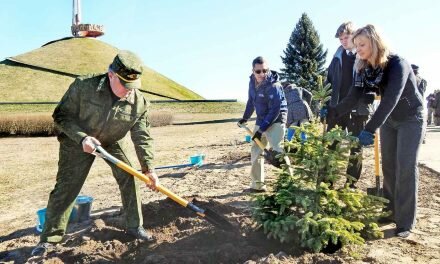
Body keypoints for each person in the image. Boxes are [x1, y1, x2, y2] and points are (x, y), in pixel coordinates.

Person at [32, 51, 159, 256]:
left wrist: (149, 168)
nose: (129, 91)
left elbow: (142, 136)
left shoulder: (140, 103)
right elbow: (61, 115)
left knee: (131, 177)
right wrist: (82, 137)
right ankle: (49, 240)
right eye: (125, 85)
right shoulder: (84, 86)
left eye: (133, 87)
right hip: (77, 140)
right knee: (67, 187)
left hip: (113, 140)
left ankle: (135, 226)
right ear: (111, 75)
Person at [324, 25, 424, 238]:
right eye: (356, 44)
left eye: (362, 45)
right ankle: (389, 212)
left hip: (410, 118)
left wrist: (369, 128)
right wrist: (333, 110)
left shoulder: (398, 64)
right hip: (390, 120)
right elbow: (353, 97)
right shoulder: (363, 67)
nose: (357, 49)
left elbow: (390, 100)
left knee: (405, 166)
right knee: (389, 166)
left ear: (375, 43)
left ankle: (405, 222)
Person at [326, 21, 374, 187]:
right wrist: (327, 105)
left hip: (357, 109)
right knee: (331, 144)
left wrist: (371, 93)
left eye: (346, 37)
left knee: (355, 147)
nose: (343, 41)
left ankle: (350, 184)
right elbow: (328, 83)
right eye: (340, 39)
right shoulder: (336, 59)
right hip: (337, 108)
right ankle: (328, 182)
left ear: (355, 36)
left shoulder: (364, 56)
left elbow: (374, 79)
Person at [237, 56, 287, 192]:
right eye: (258, 71)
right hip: (261, 119)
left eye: (265, 71)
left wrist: (261, 130)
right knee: (256, 150)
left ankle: (290, 183)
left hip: (276, 119)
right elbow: (251, 101)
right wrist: (245, 118)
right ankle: (257, 185)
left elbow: (274, 110)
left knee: (278, 151)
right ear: (253, 71)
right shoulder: (252, 82)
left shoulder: (274, 86)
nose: (262, 74)